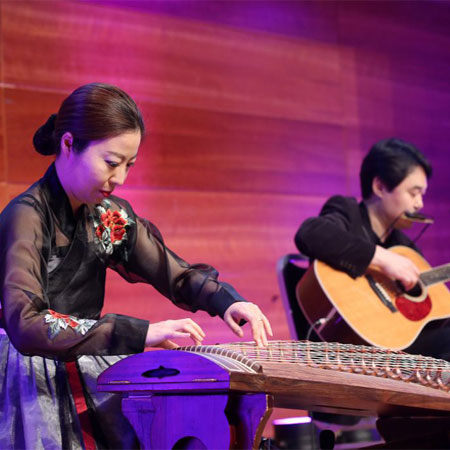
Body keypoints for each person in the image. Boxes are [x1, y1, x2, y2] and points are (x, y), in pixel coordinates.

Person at [0, 83, 272, 449]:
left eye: (129, 165)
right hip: (27, 373)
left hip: (85, 358)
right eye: (112, 163)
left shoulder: (109, 215)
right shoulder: (26, 217)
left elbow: (172, 272)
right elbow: (27, 324)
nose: (121, 178)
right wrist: (139, 333)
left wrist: (226, 301)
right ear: (68, 145)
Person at [294, 138, 450, 361]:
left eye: (422, 195)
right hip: (345, 351)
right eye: (414, 193)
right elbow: (310, 234)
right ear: (380, 187)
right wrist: (382, 258)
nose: (419, 204)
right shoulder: (347, 211)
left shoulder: (405, 246)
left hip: (395, 347)